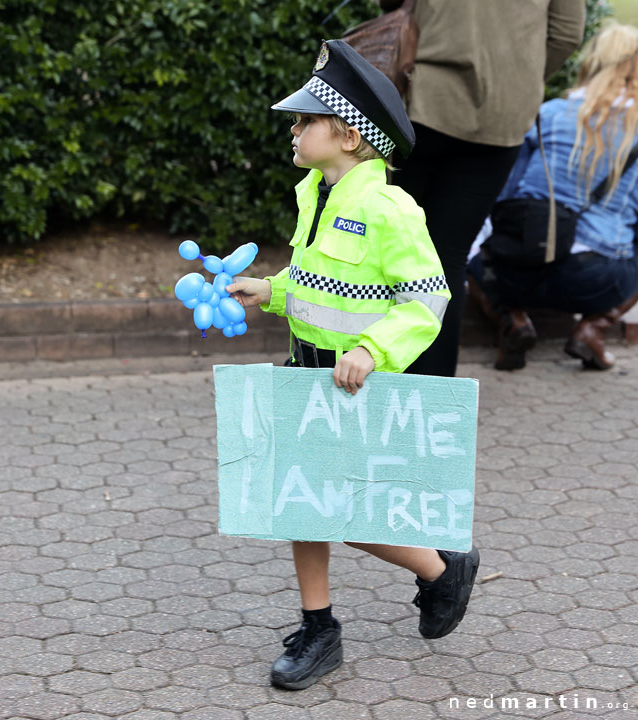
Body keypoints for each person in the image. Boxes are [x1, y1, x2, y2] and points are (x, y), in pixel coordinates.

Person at [226, 39, 479, 691]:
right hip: (303, 373)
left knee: (342, 511)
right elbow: (319, 282)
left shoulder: (387, 209)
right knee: (298, 506)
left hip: (352, 384)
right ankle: (320, 628)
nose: (294, 128)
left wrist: (373, 351)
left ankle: (441, 569)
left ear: (345, 134)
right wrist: (270, 290)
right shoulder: (317, 195)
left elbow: (428, 299)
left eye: (305, 119)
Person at [379, 0, 586, 377]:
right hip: (502, 115)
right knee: (448, 257)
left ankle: (380, 378)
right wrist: (520, 78)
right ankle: (434, 400)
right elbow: (568, 33)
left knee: (394, 245)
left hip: (424, 97)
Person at [467, 22, 638, 372]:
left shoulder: (547, 116)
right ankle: (594, 328)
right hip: (598, 278)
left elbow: (505, 195)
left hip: (521, 268)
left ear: (590, 63)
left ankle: (511, 320)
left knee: (472, 258)